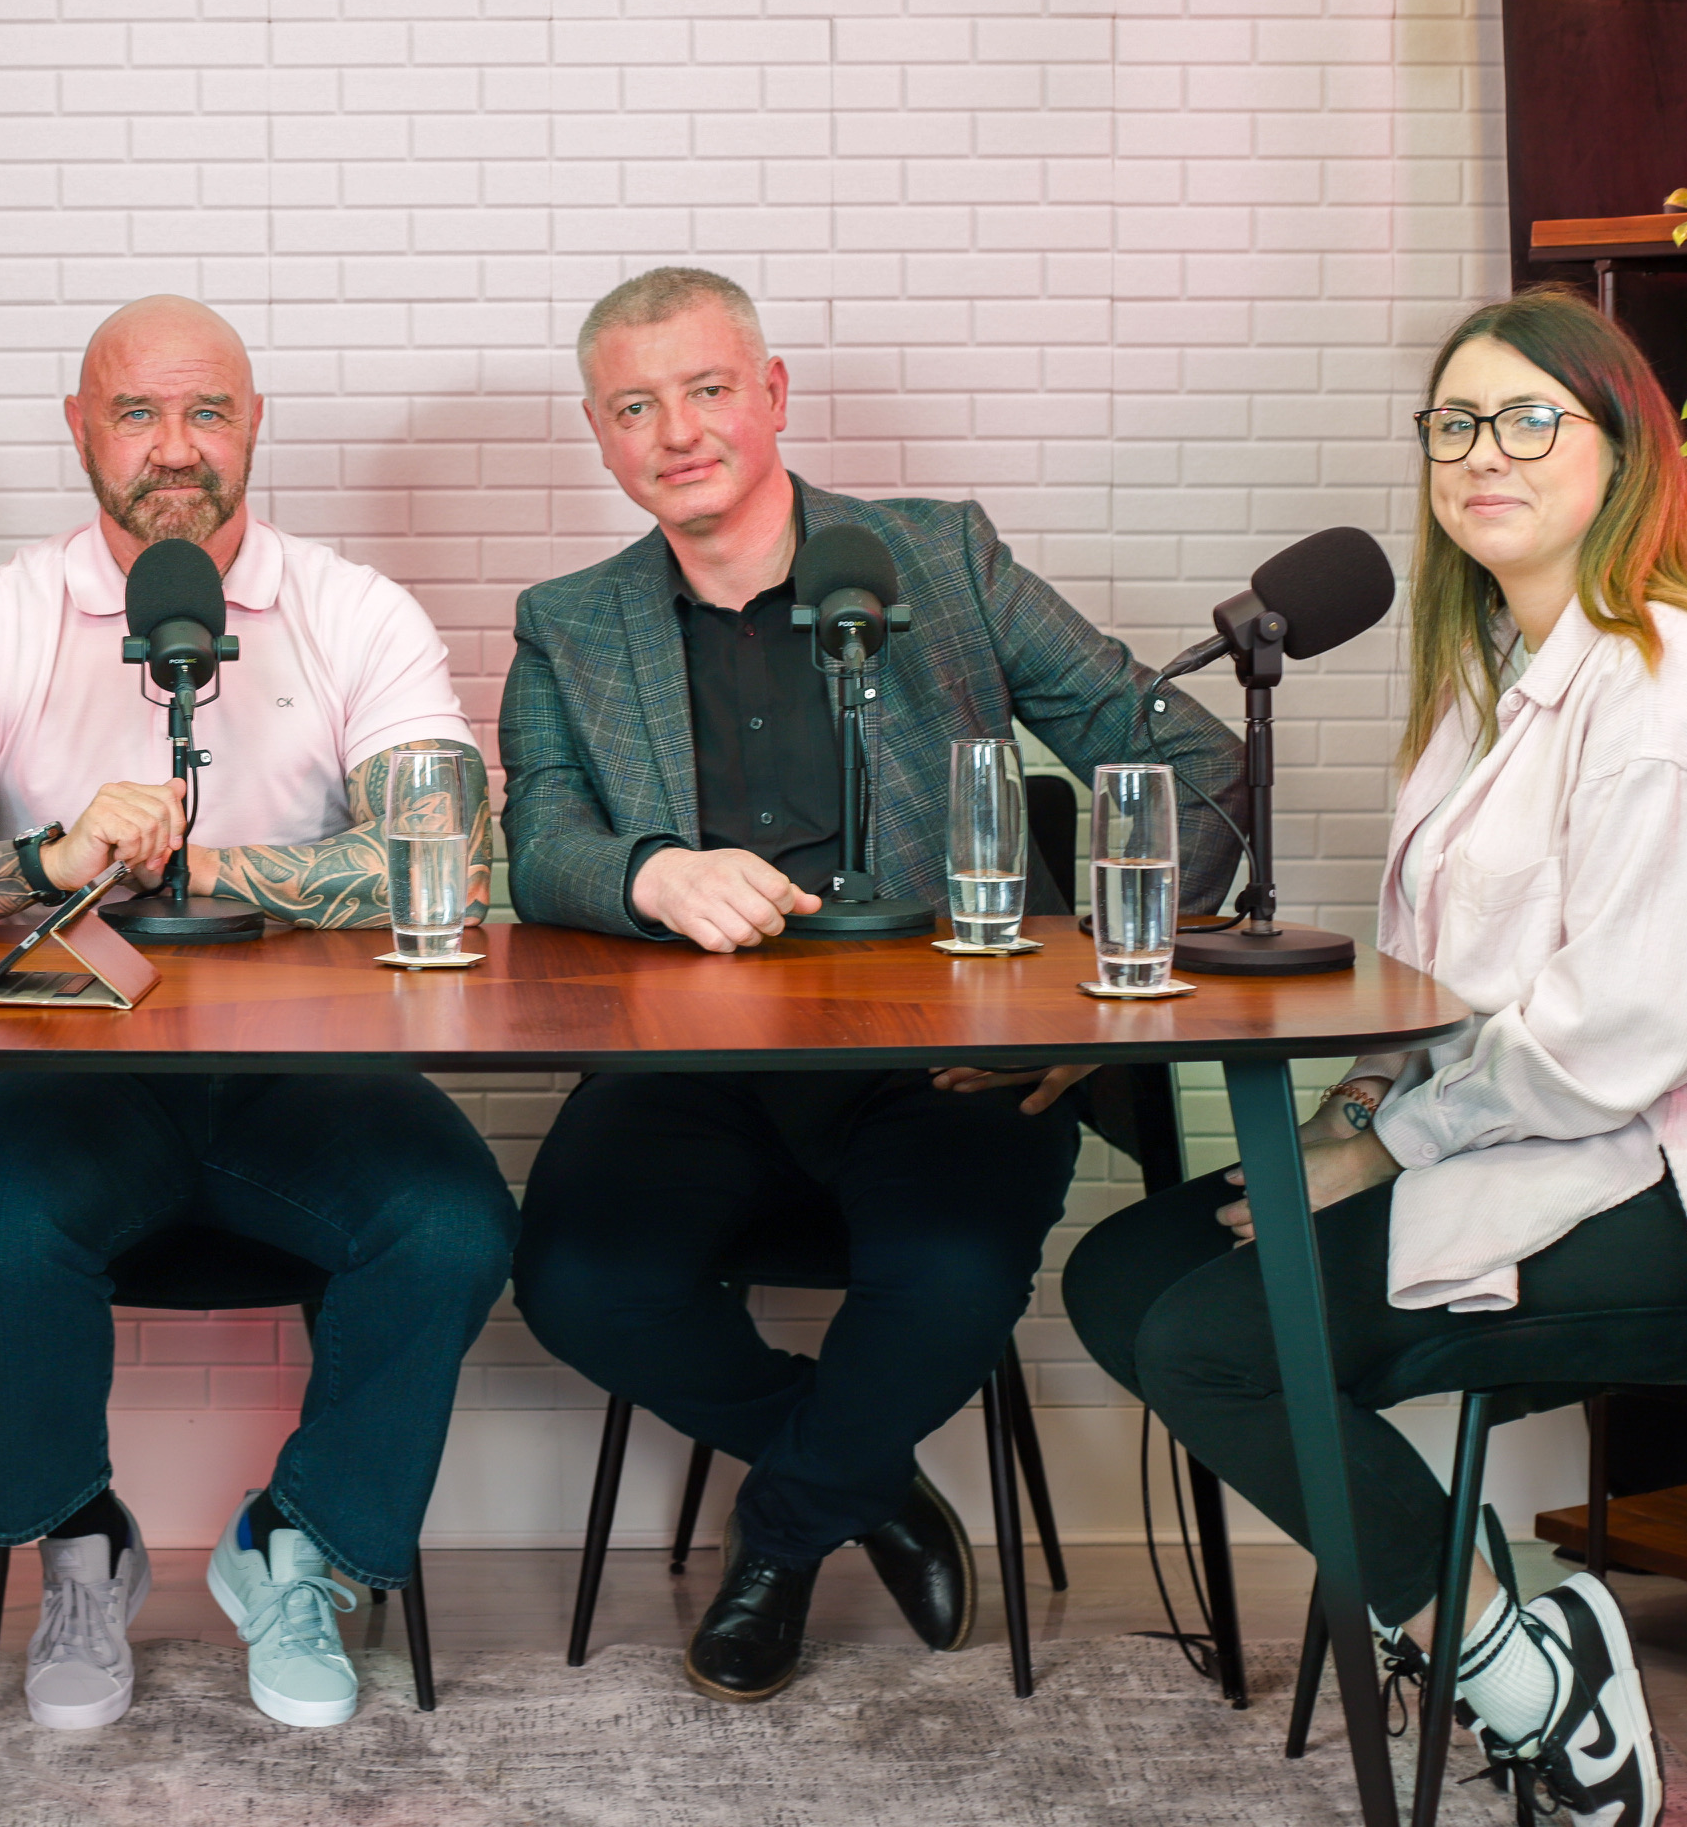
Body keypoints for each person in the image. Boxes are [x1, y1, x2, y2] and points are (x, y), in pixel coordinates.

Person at [1066, 286, 1687, 1826]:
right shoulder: (1497, 665)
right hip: (1515, 1135)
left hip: (1663, 1180)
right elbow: (1429, 976)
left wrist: (1372, 1151)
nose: (1478, 456)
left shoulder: (1676, 692)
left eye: (1522, 420)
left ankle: (1514, 1674)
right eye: (1451, 426)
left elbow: (1626, 1033)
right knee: (1123, 1276)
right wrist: (1359, 1112)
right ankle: (1486, 1621)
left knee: (1212, 1340)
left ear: (1622, 448)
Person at [500, 267, 1245, 1702]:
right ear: (600, 438)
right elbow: (538, 839)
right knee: (576, 1282)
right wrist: (648, 871)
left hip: (943, 1064)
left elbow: (1192, 762)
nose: (678, 432)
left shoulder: (940, 561)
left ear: (771, 396)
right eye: (634, 407)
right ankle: (862, 1475)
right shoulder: (567, 622)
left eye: (707, 390)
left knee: (953, 1273)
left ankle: (780, 1542)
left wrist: (1083, 1007)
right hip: (687, 1066)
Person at [0, 294, 517, 1733]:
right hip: (70, 1072)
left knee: (456, 1221)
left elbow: (459, 862)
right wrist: (52, 862)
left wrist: (210, 866)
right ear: (81, 430)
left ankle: (305, 1543)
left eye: (206, 412)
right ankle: (76, 1539)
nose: (174, 449)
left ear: (254, 427)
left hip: (320, 1078)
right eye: (138, 413)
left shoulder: (354, 611)